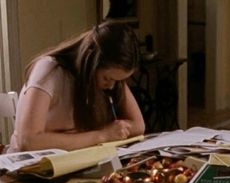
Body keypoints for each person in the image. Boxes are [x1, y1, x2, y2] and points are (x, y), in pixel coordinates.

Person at [8, 21, 145, 152]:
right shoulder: (50, 70)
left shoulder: (111, 79)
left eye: (118, 81)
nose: (111, 86)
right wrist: (102, 135)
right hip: (27, 168)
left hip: (75, 162)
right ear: (91, 62)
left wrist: (113, 131)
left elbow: (138, 125)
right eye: (107, 78)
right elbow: (28, 141)